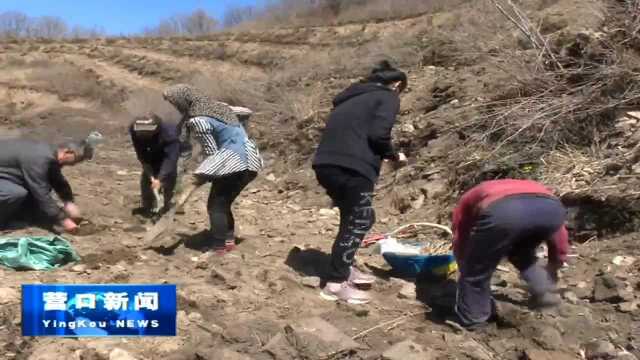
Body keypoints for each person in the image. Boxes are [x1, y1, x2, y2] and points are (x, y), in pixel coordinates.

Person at [312, 60, 409, 304]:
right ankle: (334, 285)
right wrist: (393, 155)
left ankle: (343, 268)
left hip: (326, 165)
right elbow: (378, 135)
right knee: (360, 219)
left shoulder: (349, 99)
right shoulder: (388, 96)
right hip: (354, 166)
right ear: (396, 84)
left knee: (353, 216)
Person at [449, 178, 569, 330]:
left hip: (505, 212)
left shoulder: (469, 197)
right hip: (552, 210)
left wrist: (465, 264)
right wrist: (556, 261)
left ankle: (474, 320)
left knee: (476, 272)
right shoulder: (534, 187)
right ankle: (546, 295)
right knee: (522, 253)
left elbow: (461, 232)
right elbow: (559, 234)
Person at [162, 84, 263, 255]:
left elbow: (212, 152)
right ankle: (229, 242)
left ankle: (218, 248)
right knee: (224, 203)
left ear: (182, 101)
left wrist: (199, 176)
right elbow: (245, 114)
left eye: (174, 103)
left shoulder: (198, 120)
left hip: (233, 160)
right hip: (251, 160)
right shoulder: (218, 108)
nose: (174, 107)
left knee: (215, 206)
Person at [0, 138, 93, 233]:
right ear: (68, 152)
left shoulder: (49, 153)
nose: (74, 164)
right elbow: (40, 192)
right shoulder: (38, 158)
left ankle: (18, 214)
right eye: (77, 160)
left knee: (37, 188)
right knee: (15, 193)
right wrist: (63, 219)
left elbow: (56, 179)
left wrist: (68, 201)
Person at [129, 113, 180, 216]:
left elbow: (170, 159)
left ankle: (166, 207)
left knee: (169, 177)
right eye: (140, 133)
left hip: (169, 152)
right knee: (147, 180)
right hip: (152, 151)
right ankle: (147, 208)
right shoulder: (135, 129)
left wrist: (160, 178)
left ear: (155, 130)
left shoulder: (170, 135)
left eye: (145, 133)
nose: (142, 135)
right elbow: (140, 152)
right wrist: (147, 169)